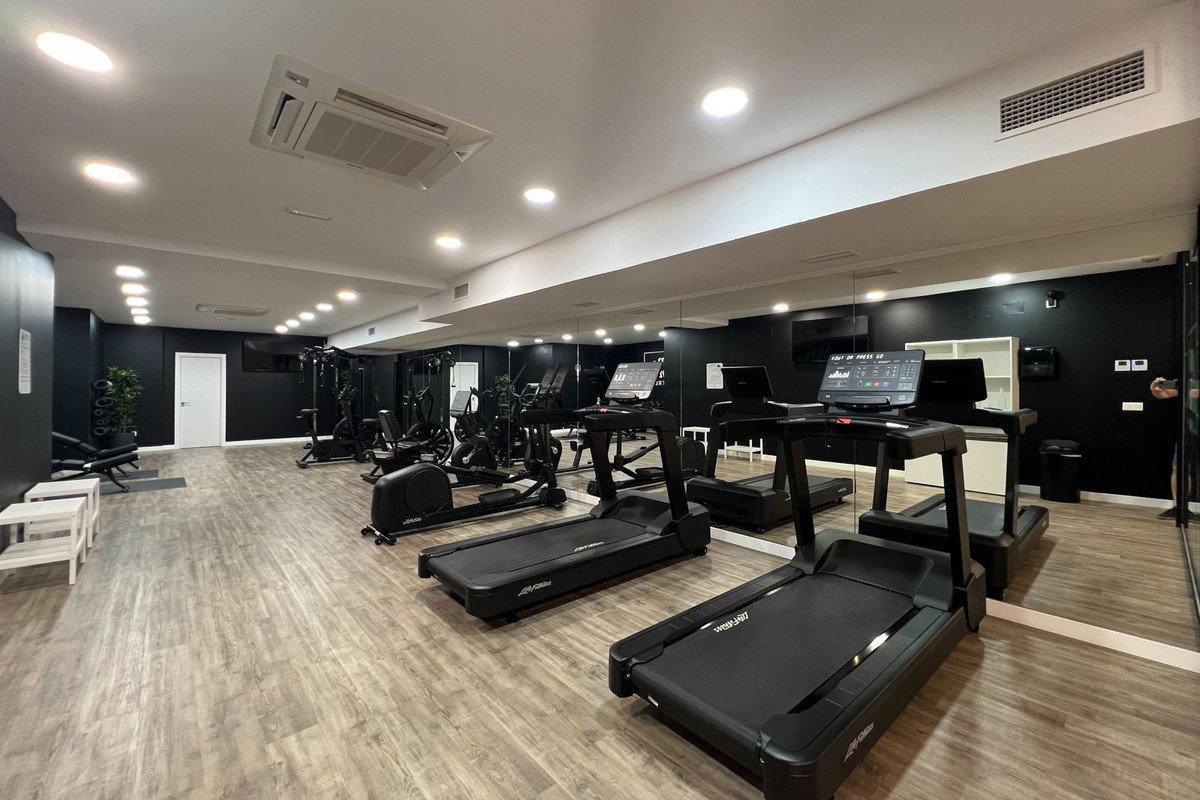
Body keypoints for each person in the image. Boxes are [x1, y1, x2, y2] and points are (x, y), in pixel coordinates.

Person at [1151, 376, 1184, 519]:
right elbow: (1161, 393)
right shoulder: (1188, 385)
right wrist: (1154, 385)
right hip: (1188, 433)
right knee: (1177, 468)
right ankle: (1178, 506)